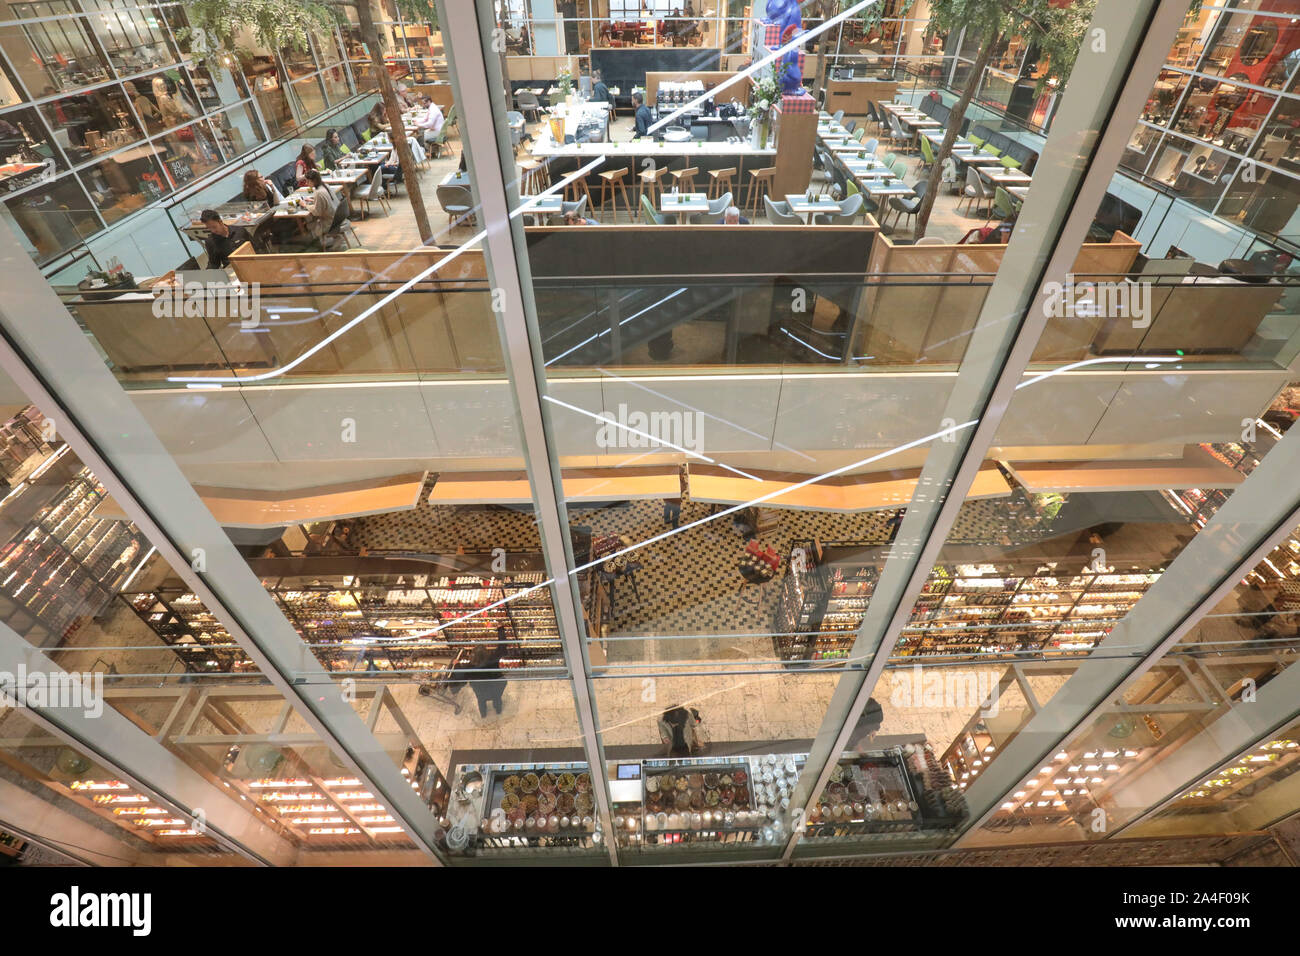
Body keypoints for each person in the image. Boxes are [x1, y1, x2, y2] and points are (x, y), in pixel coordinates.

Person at [469, 632, 508, 718]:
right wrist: (500, 629)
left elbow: (461, 674)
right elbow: (502, 646)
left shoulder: (470, 665)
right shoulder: (492, 659)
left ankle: (483, 714)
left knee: (481, 701)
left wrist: (456, 664)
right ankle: (498, 710)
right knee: (497, 698)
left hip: (481, 690)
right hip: (495, 687)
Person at [303, 169, 338, 241]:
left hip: (330, 223)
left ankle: (315, 241)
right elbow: (327, 201)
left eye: (307, 181)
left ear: (313, 181)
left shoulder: (318, 193)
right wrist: (313, 200)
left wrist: (304, 205)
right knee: (311, 222)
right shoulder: (325, 185)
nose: (306, 183)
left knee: (308, 225)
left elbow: (317, 212)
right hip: (337, 217)